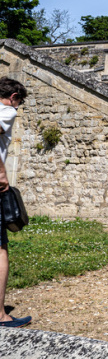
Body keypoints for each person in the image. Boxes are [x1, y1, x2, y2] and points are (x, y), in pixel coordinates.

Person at [0, 78, 32, 328]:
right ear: (13, 96)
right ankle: (0, 315)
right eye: (19, 102)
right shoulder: (7, 110)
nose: (17, 108)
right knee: (0, 250)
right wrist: (1, 171)